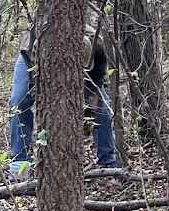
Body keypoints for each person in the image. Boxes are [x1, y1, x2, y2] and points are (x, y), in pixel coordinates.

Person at [8, 16, 118, 179]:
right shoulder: (42, 47)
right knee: (19, 101)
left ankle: (108, 161)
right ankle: (21, 163)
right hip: (33, 58)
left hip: (76, 59)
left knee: (102, 107)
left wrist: (90, 111)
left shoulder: (97, 46)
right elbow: (40, 89)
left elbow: (97, 82)